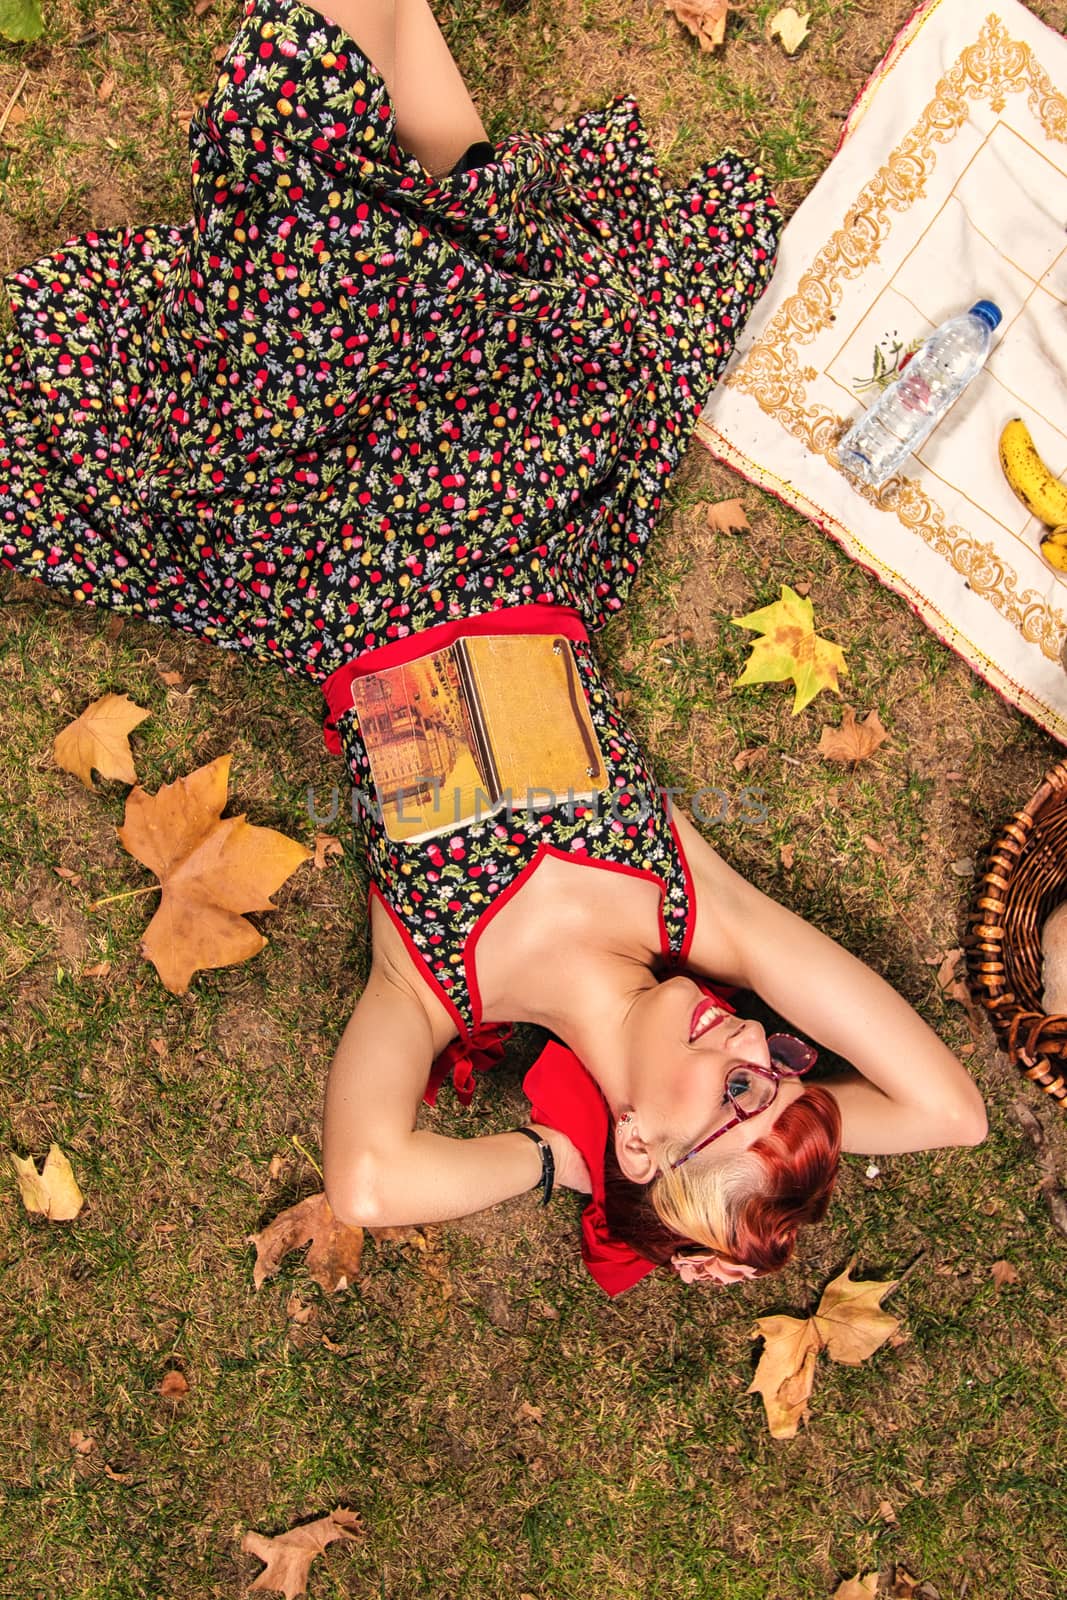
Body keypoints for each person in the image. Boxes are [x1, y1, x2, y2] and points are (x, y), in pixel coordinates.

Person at [0, 0, 987, 1296]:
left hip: (335, 539)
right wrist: (735, 1150)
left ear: (636, 1135)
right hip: (518, 515)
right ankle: (433, 208)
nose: (757, 1040)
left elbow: (367, 1177)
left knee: (319, 133)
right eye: (780, 1074)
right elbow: (950, 1108)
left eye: (732, 1091)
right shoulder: (693, 903)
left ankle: (396, 211)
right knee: (485, 233)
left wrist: (570, 1165)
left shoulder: (443, 981)